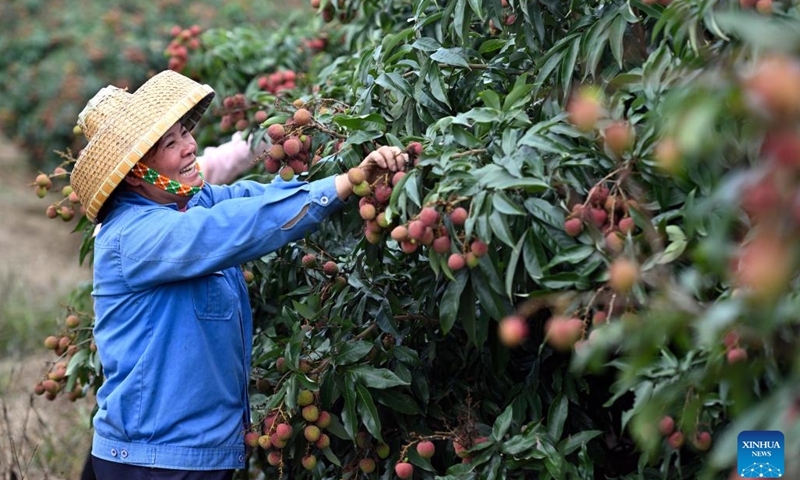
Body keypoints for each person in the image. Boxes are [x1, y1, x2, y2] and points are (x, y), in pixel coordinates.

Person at [69, 69, 406, 480]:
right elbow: (232, 225)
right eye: (171, 143)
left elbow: (249, 198)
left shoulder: (188, 202)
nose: (191, 146)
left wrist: (347, 180)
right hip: (155, 461)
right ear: (136, 170)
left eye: (184, 133)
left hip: (199, 455)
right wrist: (337, 187)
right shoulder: (135, 236)